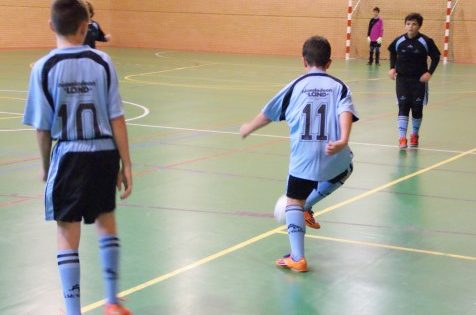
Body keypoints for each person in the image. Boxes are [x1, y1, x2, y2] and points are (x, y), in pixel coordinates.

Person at [22, 1, 133, 314]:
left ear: (50, 25)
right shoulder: (103, 62)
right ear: (86, 28)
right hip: (104, 153)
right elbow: (117, 118)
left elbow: (43, 130)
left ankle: (74, 311)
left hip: (69, 155)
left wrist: (46, 168)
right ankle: (112, 302)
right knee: (106, 223)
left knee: (67, 232)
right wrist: (127, 163)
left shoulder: (43, 67)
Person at [240, 36, 358, 272]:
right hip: (334, 155)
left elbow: (269, 113)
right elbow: (345, 111)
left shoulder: (294, 86)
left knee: (293, 201)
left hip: (303, 160)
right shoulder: (339, 86)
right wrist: (343, 139)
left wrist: (248, 127)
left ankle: (298, 257)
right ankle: (309, 206)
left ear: (304, 61)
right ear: (330, 62)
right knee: (347, 167)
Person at [388, 13, 441, 149]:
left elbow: (436, 56)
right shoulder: (399, 41)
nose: (410, 27)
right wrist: (392, 68)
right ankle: (402, 138)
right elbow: (392, 52)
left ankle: (414, 134)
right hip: (402, 80)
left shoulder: (426, 41)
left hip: (419, 81)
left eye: (414, 24)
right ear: (405, 25)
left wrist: (429, 73)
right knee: (403, 106)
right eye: (408, 24)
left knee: (417, 109)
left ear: (419, 26)